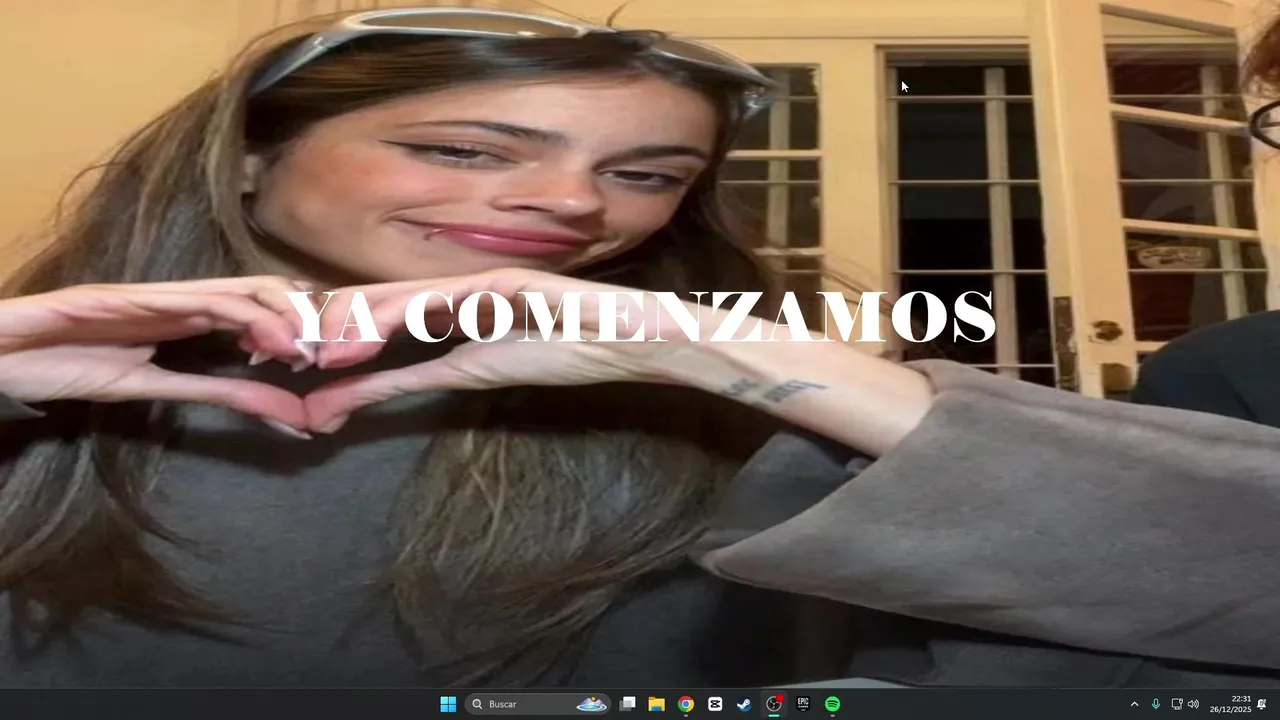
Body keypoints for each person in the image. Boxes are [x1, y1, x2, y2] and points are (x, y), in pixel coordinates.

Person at [1, 5, 1278, 691]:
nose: (569, 203)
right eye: (463, 149)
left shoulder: (737, 407)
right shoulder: (42, 405)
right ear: (250, 159)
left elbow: (1232, 581)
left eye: (645, 173)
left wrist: (709, 352)